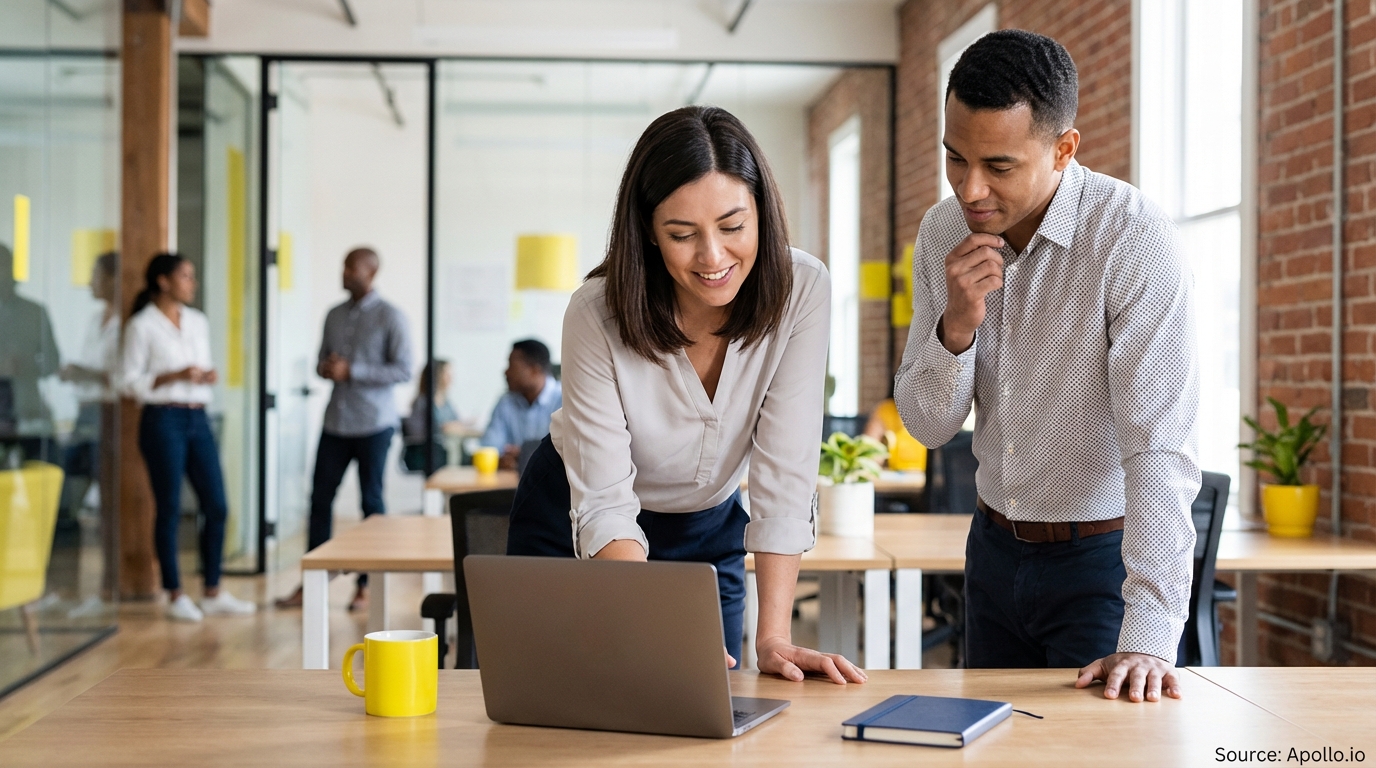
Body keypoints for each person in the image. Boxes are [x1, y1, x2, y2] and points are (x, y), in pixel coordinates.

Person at [505, 106, 865, 685]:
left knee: (706, 713)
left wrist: (773, 637)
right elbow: (604, 504)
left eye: (732, 227)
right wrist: (649, 623)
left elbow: (784, 473)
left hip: (705, 528)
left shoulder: (803, 291)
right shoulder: (597, 313)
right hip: (578, 517)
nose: (713, 257)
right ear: (648, 231)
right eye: (682, 235)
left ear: (762, 215)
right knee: (564, 712)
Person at [895, 30, 1199, 703]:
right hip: (991, 553)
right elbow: (925, 426)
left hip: (1102, 565)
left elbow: (1160, 448)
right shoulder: (942, 231)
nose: (970, 188)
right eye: (955, 159)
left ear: (1064, 148)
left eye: (999, 166)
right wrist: (955, 326)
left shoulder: (1130, 237)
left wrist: (1148, 637)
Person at [119, 253, 256, 621]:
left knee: (217, 505)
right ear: (163, 281)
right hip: (163, 419)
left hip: (199, 417)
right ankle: (175, 593)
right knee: (170, 507)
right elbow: (127, 382)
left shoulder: (197, 321)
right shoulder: (142, 326)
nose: (192, 283)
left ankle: (213, 590)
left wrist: (204, 376)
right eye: (185, 276)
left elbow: (200, 367)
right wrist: (173, 375)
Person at [275, 247, 412, 611]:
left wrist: (353, 371)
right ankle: (311, 586)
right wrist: (327, 368)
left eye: (351, 266)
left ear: (371, 271)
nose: (344, 272)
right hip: (336, 421)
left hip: (374, 424)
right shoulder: (334, 315)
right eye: (344, 265)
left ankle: (367, 587)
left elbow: (404, 370)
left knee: (372, 505)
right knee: (319, 502)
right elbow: (322, 359)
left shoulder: (391, 316)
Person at [59, 251, 121, 602]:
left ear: (113, 278)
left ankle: (109, 585)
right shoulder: (95, 318)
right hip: (85, 414)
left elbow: (121, 376)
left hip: (110, 415)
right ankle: (67, 587)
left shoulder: (125, 323)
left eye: (95, 275)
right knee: (69, 500)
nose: (89, 283)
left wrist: (84, 373)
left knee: (108, 506)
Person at [0, 243, 60, 461]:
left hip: (28, 408)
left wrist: (27, 367)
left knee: (46, 471)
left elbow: (53, 361)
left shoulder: (34, 312)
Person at [480, 339, 561, 470]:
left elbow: (567, 451)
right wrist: (504, 459)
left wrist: (525, 455)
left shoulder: (564, 400)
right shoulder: (506, 402)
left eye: (511, 365)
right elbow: (488, 447)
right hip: (510, 486)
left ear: (534, 370)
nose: (506, 372)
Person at [403, 359, 464, 469]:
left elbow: (456, 423)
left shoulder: (446, 403)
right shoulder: (422, 402)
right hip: (424, 452)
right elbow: (421, 431)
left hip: (444, 449)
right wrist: (446, 427)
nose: (451, 378)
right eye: (447, 374)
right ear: (437, 376)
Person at [863, 395, 927, 472]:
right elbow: (869, 454)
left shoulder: (934, 413)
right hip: (893, 476)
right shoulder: (885, 410)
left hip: (925, 476)